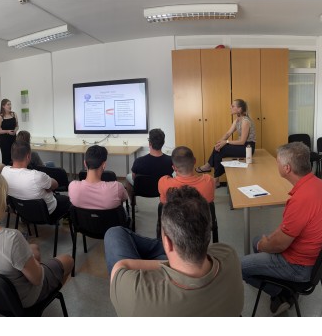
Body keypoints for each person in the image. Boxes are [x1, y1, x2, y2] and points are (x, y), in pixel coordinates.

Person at [104, 186, 244, 317]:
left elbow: (120, 266)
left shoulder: (135, 292)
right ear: (208, 232)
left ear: (167, 242)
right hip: (182, 251)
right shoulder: (228, 255)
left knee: (114, 233)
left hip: (169, 252)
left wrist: (166, 263)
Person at [240, 141, 322, 315]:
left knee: (239, 267)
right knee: (256, 240)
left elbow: (279, 245)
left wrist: (264, 244)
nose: (276, 164)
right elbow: (287, 230)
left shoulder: (301, 199)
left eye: (277, 161)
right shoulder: (319, 184)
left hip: (300, 266)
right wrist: (267, 240)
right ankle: (279, 287)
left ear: (287, 168)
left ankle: (281, 293)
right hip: (315, 258)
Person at [0, 170, 74, 308]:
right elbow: (37, 279)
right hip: (20, 300)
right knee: (68, 260)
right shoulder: (12, 239)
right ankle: (45, 299)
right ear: (2, 200)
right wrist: (35, 263)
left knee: (34, 249)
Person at [2, 140, 70, 221]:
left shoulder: (4, 171)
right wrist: (47, 187)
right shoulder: (37, 176)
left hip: (21, 212)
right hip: (46, 214)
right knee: (67, 200)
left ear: (12, 156)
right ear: (28, 157)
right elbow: (55, 185)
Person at [196, 99, 256, 183]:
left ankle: (211, 171)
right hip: (242, 146)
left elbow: (242, 141)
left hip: (248, 148)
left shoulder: (245, 121)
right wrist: (220, 142)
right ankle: (214, 177)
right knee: (218, 148)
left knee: (221, 149)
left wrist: (226, 142)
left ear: (239, 109)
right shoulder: (237, 120)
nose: (230, 107)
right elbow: (228, 133)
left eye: (233, 106)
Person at [68, 145, 129, 211]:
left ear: (85, 163)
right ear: (104, 165)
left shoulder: (73, 187)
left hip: (82, 218)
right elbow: (124, 198)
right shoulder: (117, 187)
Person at [124, 128, 172, 198]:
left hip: (143, 190)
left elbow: (134, 178)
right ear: (163, 142)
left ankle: (132, 202)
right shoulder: (170, 160)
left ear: (150, 143)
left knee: (128, 177)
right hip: (162, 189)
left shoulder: (138, 161)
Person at [0, 98, 18, 165]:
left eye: (10, 104)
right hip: (4, 141)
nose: (10, 106)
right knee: (6, 159)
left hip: (13, 138)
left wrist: (15, 131)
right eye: (8, 104)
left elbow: (17, 126)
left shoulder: (14, 114)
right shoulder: (0, 117)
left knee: (14, 158)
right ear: (3, 106)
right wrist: (7, 131)